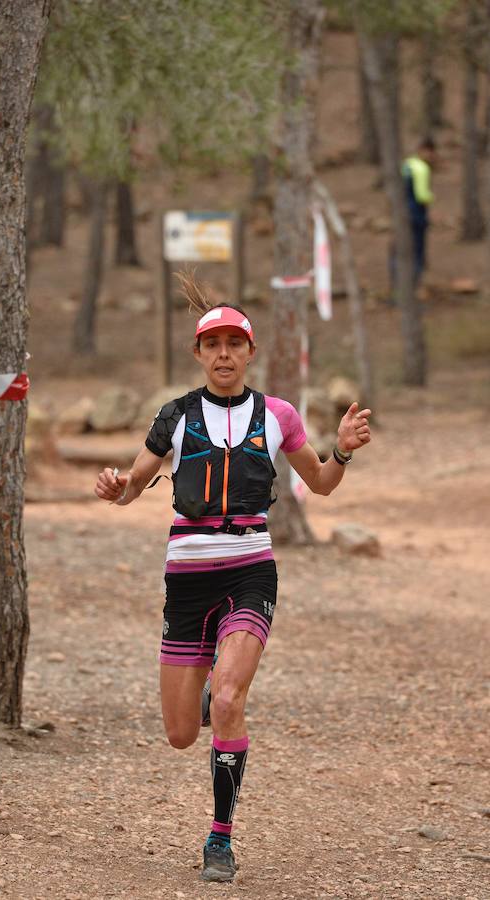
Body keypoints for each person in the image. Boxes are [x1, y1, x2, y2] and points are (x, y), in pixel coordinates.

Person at [94, 272, 372, 883]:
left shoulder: (278, 415)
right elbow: (134, 485)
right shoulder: (174, 415)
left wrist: (343, 449)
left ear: (251, 352)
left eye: (234, 344)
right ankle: (210, 697)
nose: (224, 354)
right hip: (187, 579)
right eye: (212, 344)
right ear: (198, 353)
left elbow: (320, 483)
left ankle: (219, 838)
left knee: (229, 701)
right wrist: (116, 487)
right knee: (177, 734)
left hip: (250, 569)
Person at [401, 137, 436, 283]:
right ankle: (415, 282)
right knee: (418, 249)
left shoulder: (407, 164)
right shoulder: (422, 168)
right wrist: (431, 197)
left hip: (402, 212)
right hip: (417, 213)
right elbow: (421, 195)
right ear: (425, 150)